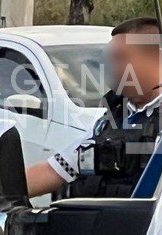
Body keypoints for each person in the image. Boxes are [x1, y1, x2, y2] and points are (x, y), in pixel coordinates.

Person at [25, 17, 162, 200]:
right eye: (111, 59)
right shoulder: (109, 121)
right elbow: (56, 170)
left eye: (121, 58)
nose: (113, 67)